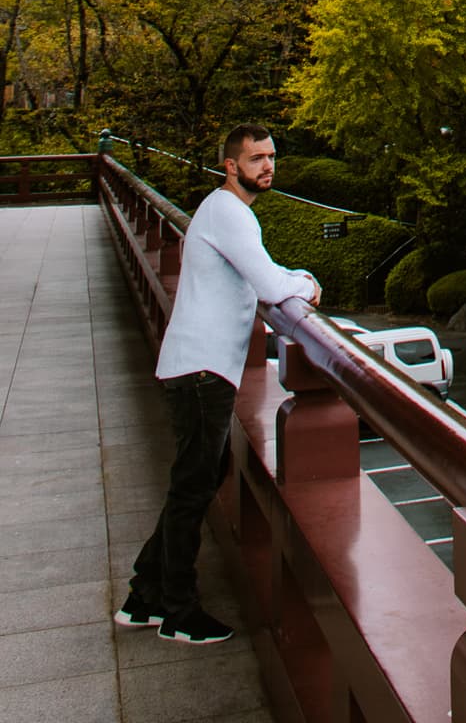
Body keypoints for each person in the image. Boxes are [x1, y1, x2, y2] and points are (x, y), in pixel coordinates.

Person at [116, 124, 321, 645]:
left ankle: (143, 597)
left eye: (271, 156)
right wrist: (307, 284)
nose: (267, 166)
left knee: (200, 478)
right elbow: (272, 285)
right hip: (202, 372)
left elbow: (267, 270)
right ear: (232, 165)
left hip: (199, 368)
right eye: (256, 159)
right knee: (193, 487)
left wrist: (292, 274)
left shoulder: (227, 212)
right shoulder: (229, 213)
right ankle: (178, 613)